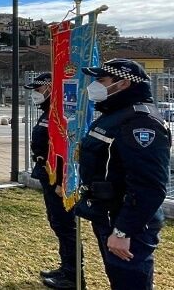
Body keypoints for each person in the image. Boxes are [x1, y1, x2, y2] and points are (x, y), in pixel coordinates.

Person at [75, 58, 170, 290]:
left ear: (124, 83)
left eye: (101, 80)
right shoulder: (116, 114)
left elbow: (149, 185)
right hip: (108, 214)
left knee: (130, 282)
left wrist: (123, 230)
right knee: (119, 278)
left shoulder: (140, 122)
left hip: (127, 223)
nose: (95, 85)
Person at [25, 73, 81, 289]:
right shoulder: (48, 112)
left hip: (58, 181)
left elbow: (64, 151)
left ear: (49, 88)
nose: (35, 94)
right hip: (47, 175)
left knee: (66, 227)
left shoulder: (60, 114)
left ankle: (73, 276)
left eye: (38, 90)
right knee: (58, 224)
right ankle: (66, 268)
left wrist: (61, 182)